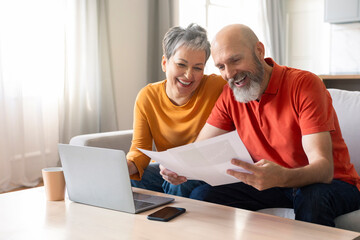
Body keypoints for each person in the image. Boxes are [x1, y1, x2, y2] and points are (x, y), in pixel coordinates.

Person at [161, 24, 360, 227]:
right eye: (221, 67)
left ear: (259, 50)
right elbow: (198, 150)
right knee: (202, 195)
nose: (229, 74)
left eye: (235, 60)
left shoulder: (304, 84)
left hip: (332, 183)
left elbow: (323, 169)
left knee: (313, 199)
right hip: (271, 183)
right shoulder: (230, 95)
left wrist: (282, 177)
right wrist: (176, 167)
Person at [126, 23, 226, 197]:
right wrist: (127, 166)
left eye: (198, 68)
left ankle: (170, 217)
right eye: (181, 64)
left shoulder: (216, 87)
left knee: (178, 183)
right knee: (130, 179)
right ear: (165, 63)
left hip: (207, 168)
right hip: (168, 169)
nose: (189, 75)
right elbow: (140, 148)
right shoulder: (147, 96)